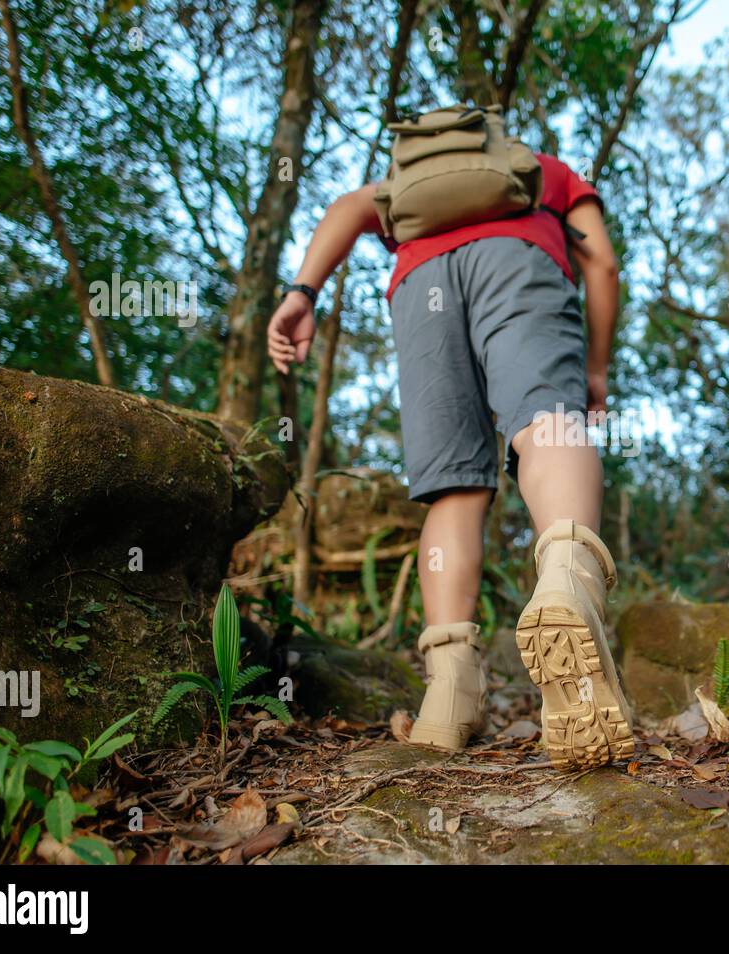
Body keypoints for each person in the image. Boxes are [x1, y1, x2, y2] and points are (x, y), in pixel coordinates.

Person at [266, 144, 634, 771]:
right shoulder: (548, 172)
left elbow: (349, 207)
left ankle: (449, 694)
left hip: (420, 286)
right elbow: (599, 260)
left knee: (454, 488)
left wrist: (302, 290)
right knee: (548, 425)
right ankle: (568, 583)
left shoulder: (411, 185)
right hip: (519, 264)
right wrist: (595, 370)